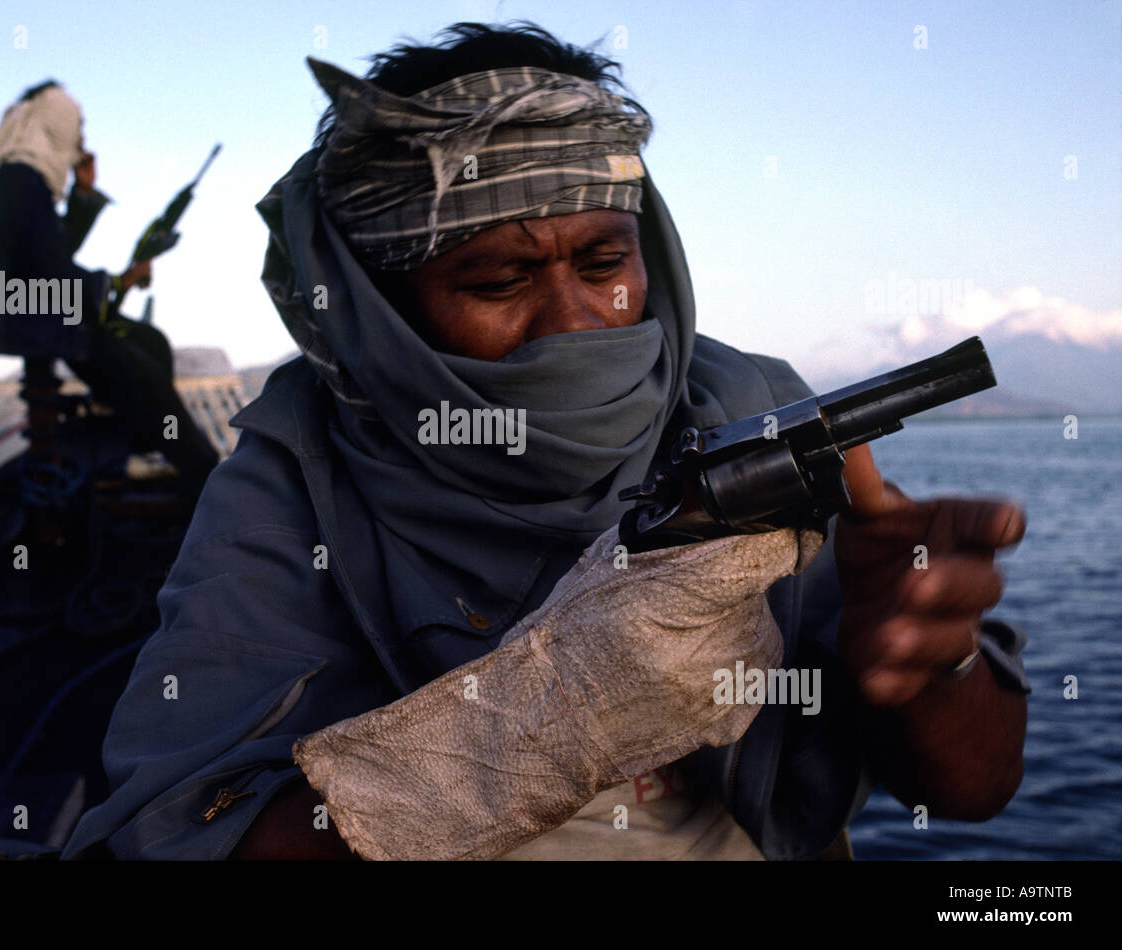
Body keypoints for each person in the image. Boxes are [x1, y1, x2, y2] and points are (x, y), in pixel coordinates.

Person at [62, 23, 1031, 861]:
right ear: (381, 313)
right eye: (496, 282)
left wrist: (921, 664)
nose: (575, 321)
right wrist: (537, 726)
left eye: (606, 262)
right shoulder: (295, 471)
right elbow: (173, 832)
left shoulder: (749, 405)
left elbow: (973, 784)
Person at [0, 79, 218, 490]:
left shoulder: (21, 179)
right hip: (29, 314)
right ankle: (201, 477)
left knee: (149, 343)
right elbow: (49, 272)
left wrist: (81, 193)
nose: (82, 137)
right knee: (149, 382)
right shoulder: (23, 181)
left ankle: (140, 443)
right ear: (56, 123)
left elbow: (50, 255)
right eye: (78, 126)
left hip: (32, 309)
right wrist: (118, 281)